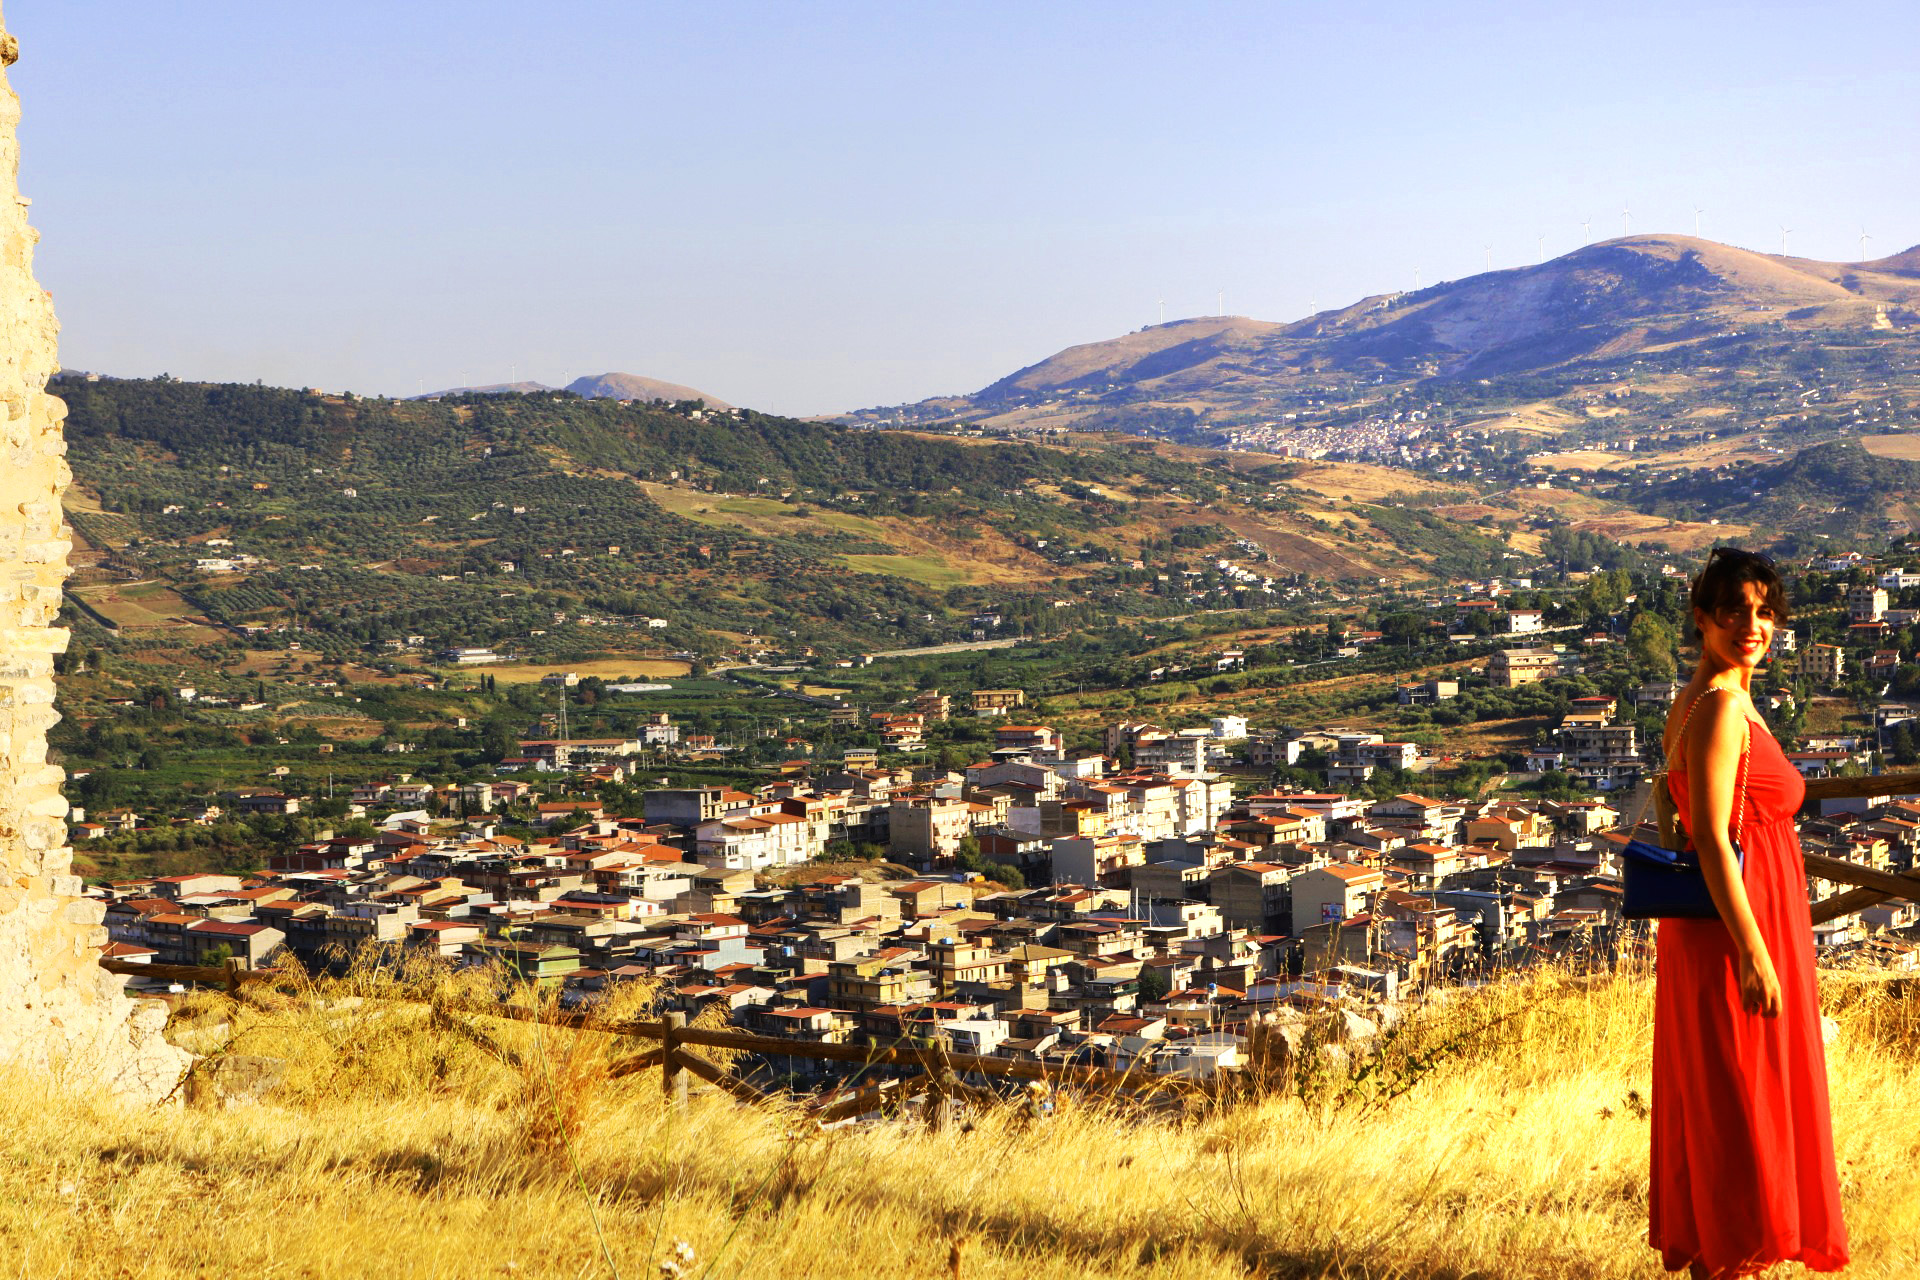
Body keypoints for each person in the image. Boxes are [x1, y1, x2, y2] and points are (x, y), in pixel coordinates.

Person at [1650, 547, 1848, 1277]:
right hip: (1738, 930)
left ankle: (1728, 1255)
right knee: (1739, 1103)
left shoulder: (1714, 694)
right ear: (1702, 617)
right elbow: (1707, 835)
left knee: (1730, 1100)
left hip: (1740, 925)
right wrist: (1754, 952)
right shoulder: (1723, 706)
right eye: (1735, 609)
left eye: (1766, 611)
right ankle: (1733, 1258)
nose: (1752, 624)